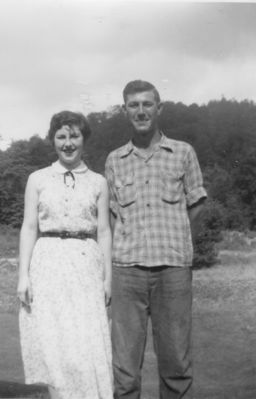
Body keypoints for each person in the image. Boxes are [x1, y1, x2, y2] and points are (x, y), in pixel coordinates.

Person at [105, 80, 207, 399]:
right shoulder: (114, 160)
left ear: (159, 108)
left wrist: (176, 238)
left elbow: (198, 205)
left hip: (172, 273)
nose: (141, 111)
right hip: (127, 272)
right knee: (124, 370)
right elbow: (110, 215)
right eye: (133, 105)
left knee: (176, 365)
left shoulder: (183, 153)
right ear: (125, 111)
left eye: (147, 104)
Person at [17, 111, 113, 399]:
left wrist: (108, 279)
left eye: (74, 136)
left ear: (84, 140)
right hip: (47, 265)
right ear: (53, 140)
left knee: (85, 343)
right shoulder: (37, 179)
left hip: (85, 264)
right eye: (61, 136)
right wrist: (23, 276)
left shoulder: (98, 182)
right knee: (54, 343)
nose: (68, 143)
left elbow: (105, 231)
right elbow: (30, 227)